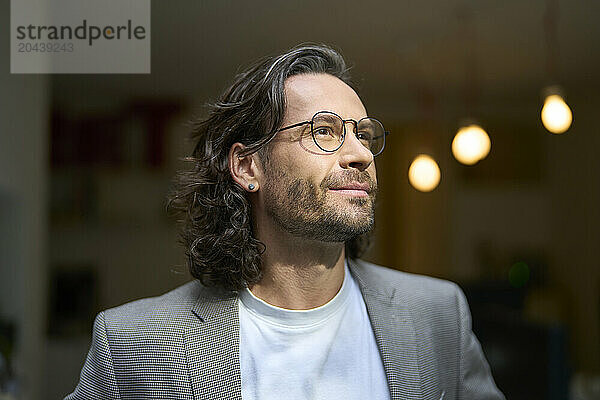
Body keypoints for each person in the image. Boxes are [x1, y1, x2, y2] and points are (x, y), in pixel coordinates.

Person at [66, 44, 505, 400]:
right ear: (248, 166)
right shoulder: (134, 343)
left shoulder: (438, 315)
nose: (361, 154)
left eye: (364, 135)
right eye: (325, 131)